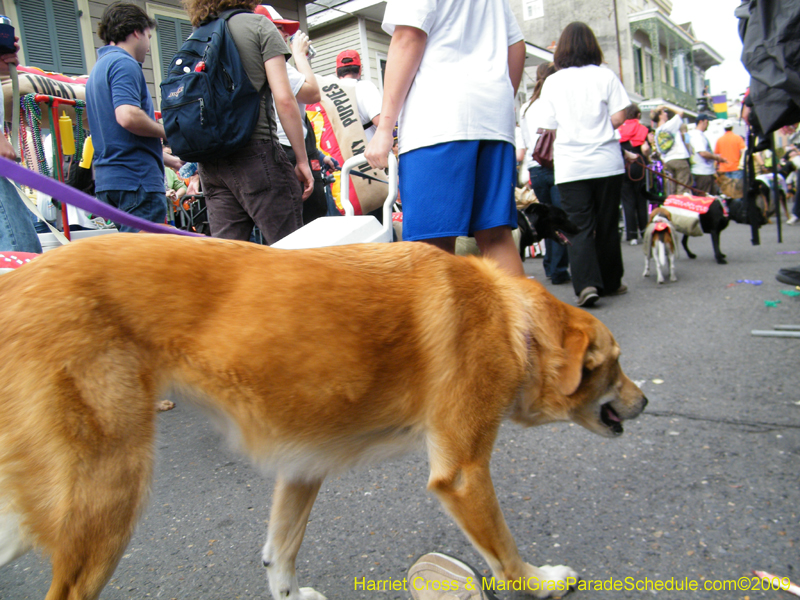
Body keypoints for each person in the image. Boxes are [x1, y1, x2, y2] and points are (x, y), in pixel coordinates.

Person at [364, 0, 527, 278]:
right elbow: (516, 46)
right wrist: (495, 100)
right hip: (493, 117)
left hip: (438, 119)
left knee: (431, 246)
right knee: (496, 236)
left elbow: (408, 37)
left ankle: (441, 324)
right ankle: (525, 323)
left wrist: (384, 129)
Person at [182, 0, 313, 243]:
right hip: (257, 155)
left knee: (229, 262)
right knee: (290, 255)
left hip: (211, 163)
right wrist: (302, 160)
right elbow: (284, 99)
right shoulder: (258, 25)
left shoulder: (196, 35)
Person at [535, 22, 631, 307]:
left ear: (562, 49)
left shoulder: (553, 81)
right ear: (592, 46)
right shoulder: (605, 76)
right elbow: (620, 116)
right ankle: (612, 281)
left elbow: (548, 125)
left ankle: (587, 285)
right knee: (607, 224)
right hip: (607, 163)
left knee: (577, 226)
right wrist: (600, 124)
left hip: (571, 167)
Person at [85, 2, 169, 232]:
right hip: (136, 181)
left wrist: (166, 158)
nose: (149, 46)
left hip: (109, 182)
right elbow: (128, 117)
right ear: (136, 31)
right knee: (146, 264)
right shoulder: (124, 63)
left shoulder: (98, 69)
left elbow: (117, 134)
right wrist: (168, 131)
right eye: (148, 36)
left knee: (126, 262)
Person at [255, 5, 328, 224]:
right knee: (308, 222)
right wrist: (299, 55)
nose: (286, 35)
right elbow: (312, 93)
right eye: (279, 28)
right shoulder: (273, 62)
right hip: (287, 150)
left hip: (267, 150)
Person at [521, 62, 570, 284]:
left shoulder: (526, 108)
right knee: (559, 217)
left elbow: (525, 141)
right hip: (558, 164)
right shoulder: (556, 103)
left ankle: (550, 265)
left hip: (535, 166)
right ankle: (559, 269)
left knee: (546, 218)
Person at [617, 103, 650, 245]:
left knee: (627, 201)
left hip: (623, 166)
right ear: (638, 115)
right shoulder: (642, 129)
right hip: (639, 166)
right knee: (641, 199)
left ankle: (631, 235)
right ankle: (644, 231)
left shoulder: (619, 129)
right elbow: (646, 149)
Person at [336, 50, 382, 141]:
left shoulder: (330, 92)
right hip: (369, 149)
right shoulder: (365, 87)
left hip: (343, 152)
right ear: (360, 69)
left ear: (337, 72)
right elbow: (380, 122)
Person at [651, 105, 691, 196]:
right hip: (679, 157)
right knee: (682, 187)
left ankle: (672, 208)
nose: (666, 114)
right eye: (664, 112)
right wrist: (666, 106)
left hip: (668, 161)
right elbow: (680, 112)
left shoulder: (657, 132)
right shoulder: (669, 125)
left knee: (672, 188)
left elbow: (659, 150)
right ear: (660, 116)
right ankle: (681, 208)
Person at [688, 114, 725, 194]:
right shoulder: (697, 135)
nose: (708, 125)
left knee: (710, 196)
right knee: (705, 197)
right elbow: (703, 153)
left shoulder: (698, 135)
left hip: (705, 171)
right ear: (701, 122)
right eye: (707, 122)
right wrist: (717, 158)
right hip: (702, 172)